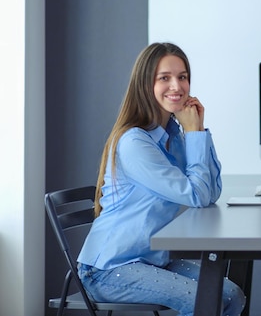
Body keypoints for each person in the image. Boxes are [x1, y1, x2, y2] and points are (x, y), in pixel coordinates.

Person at [77, 42, 246, 316]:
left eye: (182, 77)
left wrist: (198, 131)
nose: (177, 86)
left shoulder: (173, 137)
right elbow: (197, 196)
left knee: (231, 295)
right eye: (164, 78)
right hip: (110, 269)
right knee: (202, 299)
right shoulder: (135, 143)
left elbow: (210, 192)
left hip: (151, 261)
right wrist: (194, 135)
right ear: (146, 85)